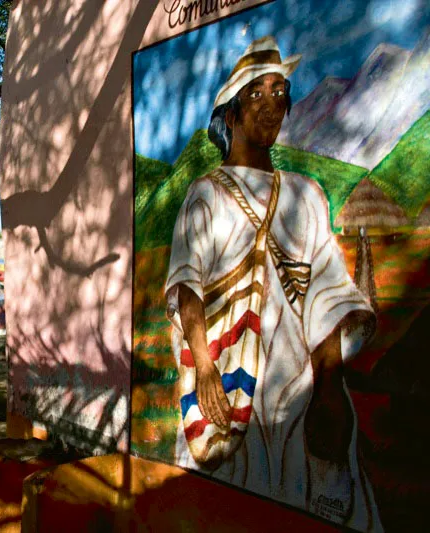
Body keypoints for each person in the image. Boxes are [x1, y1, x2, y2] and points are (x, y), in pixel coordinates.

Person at [164, 36, 382, 531]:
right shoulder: (205, 196)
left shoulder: (306, 196)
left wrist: (328, 386)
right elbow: (186, 288)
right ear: (232, 113)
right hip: (231, 387)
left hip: (302, 392)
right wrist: (204, 368)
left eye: (280, 92)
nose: (273, 105)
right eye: (257, 94)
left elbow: (327, 293)